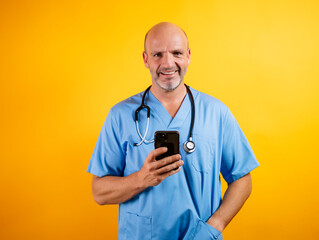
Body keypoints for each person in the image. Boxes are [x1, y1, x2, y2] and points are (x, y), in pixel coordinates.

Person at [87, 22, 259, 240]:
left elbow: (242, 179)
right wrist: (141, 178)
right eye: (157, 54)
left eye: (176, 53)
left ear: (188, 56)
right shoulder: (120, 116)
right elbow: (99, 192)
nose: (168, 63)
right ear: (145, 59)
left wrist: (214, 227)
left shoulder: (216, 113)